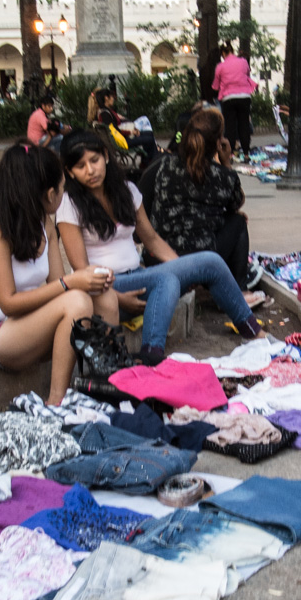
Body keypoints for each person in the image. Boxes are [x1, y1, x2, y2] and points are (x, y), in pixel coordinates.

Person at [57, 130, 263, 365]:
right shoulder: (69, 205)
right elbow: (82, 270)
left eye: (94, 160)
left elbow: (152, 239)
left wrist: (185, 269)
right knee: (166, 280)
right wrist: (118, 298)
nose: (90, 170)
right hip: (104, 291)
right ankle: (152, 354)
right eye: (80, 166)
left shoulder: (127, 190)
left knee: (209, 261)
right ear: (70, 172)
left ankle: (253, 331)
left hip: (140, 278)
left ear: (105, 156)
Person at [0, 141, 118, 404]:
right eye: (62, 188)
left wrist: (91, 279)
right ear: (49, 194)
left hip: (29, 324)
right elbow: (9, 303)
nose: (64, 193)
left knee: (104, 296)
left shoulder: (44, 223)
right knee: (77, 300)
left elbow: (57, 284)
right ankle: (56, 401)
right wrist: (71, 282)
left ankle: (104, 382)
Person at [148, 109, 256, 288]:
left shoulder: (166, 165)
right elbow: (237, 202)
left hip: (161, 255)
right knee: (238, 221)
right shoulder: (222, 176)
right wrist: (226, 162)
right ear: (218, 142)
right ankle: (239, 287)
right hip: (202, 259)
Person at [214, 43, 259, 161]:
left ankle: (230, 155)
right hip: (244, 96)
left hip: (228, 98)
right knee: (244, 124)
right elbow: (247, 74)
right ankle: (246, 154)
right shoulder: (243, 62)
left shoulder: (220, 66)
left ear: (223, 53)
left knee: (230, 127)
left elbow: (215, 85)